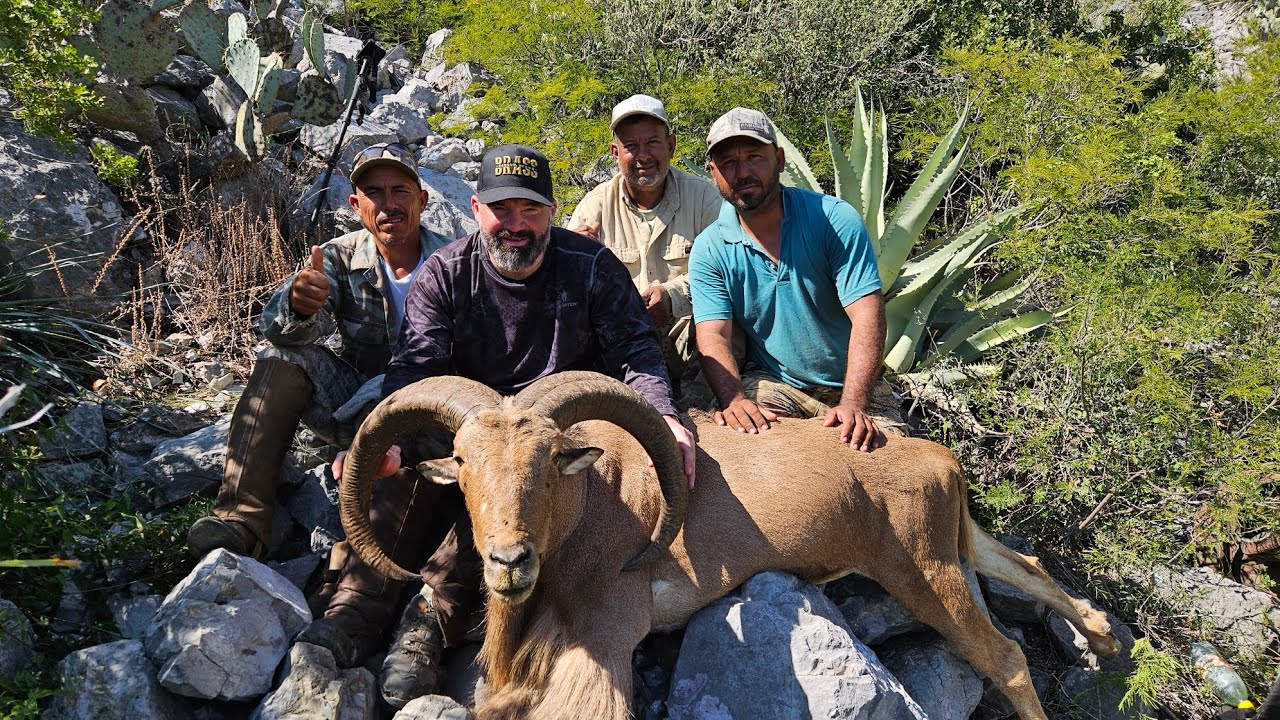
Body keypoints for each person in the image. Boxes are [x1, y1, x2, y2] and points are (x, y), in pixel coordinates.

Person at [300, 144, 697, 710]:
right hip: (468, 435)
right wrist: (386, 441)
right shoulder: (445, 273)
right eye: (500, 209)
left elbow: (638, 352)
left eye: (530, 211)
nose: (515, 225)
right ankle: (356, 610)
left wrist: (663, 416)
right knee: (404, 466)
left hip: (551, 447)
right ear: (474, 208)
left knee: (515, 514)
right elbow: (414, 370)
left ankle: (428, 628)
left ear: (553, 211)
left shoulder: (591, 267)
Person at [186, 143, 450, 559]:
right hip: (356, 401)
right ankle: (241, 521)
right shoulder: (336, 257)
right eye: (374, 193)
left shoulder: (455, 260)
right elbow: (276, 331)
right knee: (279, 359)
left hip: (430, 414)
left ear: (422, 199)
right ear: (355, 204)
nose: (388, 205)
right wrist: (299, 307)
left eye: (400, 191)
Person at [688, 107, 909, 452]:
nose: (742, 172)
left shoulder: (832, 220)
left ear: (779, 160)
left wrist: (854, 403)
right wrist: (733, 398)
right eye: (728, 163)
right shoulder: (710, 249)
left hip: (852, 384)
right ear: (714, 173)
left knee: (890, 467)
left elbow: (867, 313)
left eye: (754, 157)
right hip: (777, 384)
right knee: (741, 449)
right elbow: (713, 334)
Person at [567, 94, 723, 382]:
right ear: (615, 153)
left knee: (723, 325)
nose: (643, 156)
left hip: (686, 335)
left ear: (671, 146)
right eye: (631, 146)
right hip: (621, 342)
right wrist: (579, 263)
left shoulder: (704, 199)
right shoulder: (594, 206)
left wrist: (671, 296)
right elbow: (565, 290)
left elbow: (729, 272)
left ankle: (708, 406)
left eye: (652, 142)